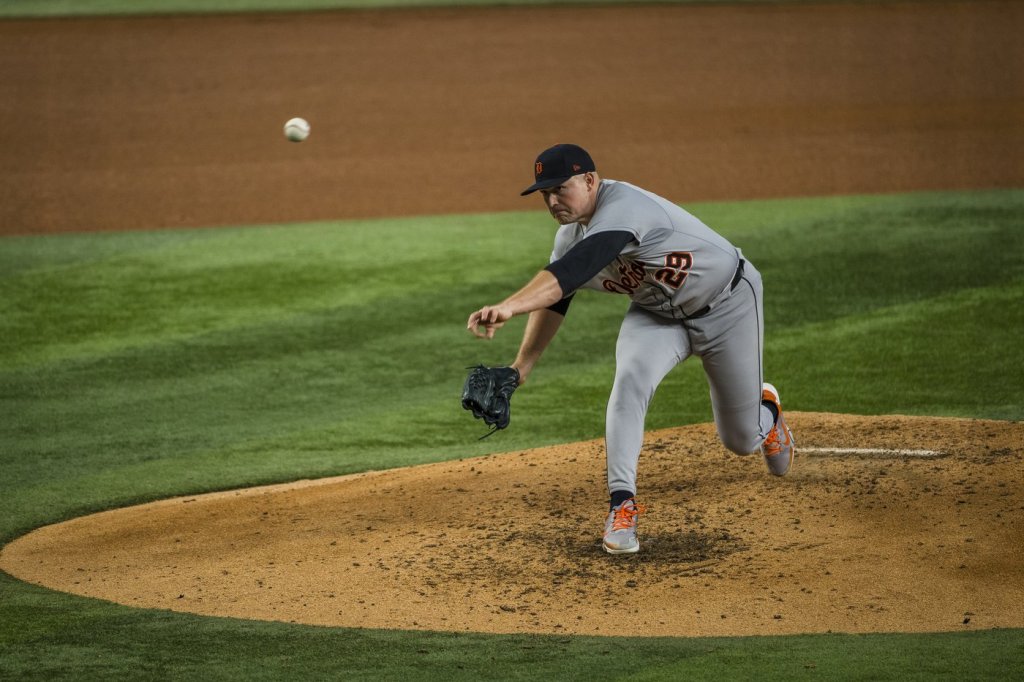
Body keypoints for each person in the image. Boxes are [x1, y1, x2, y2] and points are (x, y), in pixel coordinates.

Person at [466, 143, 795, 555]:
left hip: (728, 305)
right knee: (629, 383)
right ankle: (622, 507)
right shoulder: (569, 237)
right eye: (545, 194)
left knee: (741, 440)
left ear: (590, 181)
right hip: (656, 314)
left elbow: (569, 272)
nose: (552, 202)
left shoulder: (624, 208)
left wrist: (509, 306)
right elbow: (557, 299)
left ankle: (768, 412)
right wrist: (520, 368)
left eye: (560, 189)